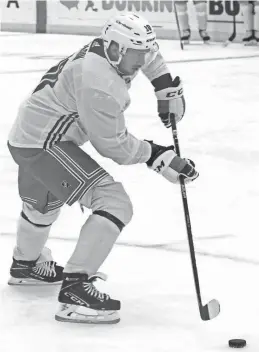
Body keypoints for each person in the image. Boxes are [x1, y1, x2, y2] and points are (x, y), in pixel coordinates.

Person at [7, 12, 199, 324]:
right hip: (43, 143)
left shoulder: (115, 50)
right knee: (114, 202)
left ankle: (26, 266)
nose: (141, 60)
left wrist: (164, 86)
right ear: (114, 49)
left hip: (30, 132)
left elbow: (149, 55)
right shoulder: (98, 83)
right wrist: (158, 155)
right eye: (135, 54)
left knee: (42, 206)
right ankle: (75, 290)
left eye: (143, 52)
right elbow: (115, 146)